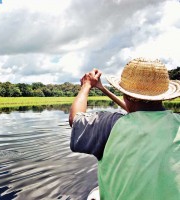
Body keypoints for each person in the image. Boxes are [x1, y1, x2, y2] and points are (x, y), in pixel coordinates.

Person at [69, 58, 180, 200]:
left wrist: (86, 86)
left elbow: (75, 119)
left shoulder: (109, 125)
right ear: (163, 96)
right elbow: (139, 112)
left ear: (125, 95)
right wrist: (102, 88)